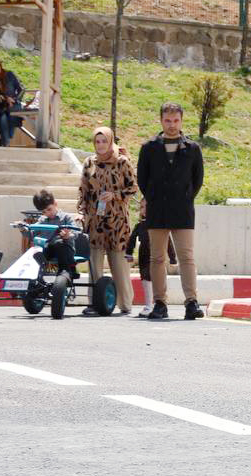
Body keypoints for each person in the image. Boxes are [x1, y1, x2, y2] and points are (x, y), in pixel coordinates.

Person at [136, 102, 204, 320]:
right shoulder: (149, 148)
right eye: (168, 120)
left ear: (181, 121)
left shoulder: (192, 149)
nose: (172, 125)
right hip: (157, 210)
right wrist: (154, 199)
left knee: (187, 257)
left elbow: (197, 180)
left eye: (176, 120)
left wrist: (184, 197)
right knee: (157, 258)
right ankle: (159, 303)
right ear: (161, 120)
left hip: (183, 210)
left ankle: (191, 303)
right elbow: (142, 179)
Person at [77, 127, 137, 316]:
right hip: (95, 220)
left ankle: (125, 303)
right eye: (97, 141)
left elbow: (133, 187)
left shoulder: (122, 162)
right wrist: (82, 211)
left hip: (117, 220)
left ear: (110, 141)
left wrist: (115, 195)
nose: (101, 145)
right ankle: (95, 303)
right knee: (94, 264)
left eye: (104, 141)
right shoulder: (89, 162)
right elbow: (83, 189)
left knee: (118, 263)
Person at [127, 198, 178, 318]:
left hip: (157, 257)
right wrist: (129, 253)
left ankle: (160, 304)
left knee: (157, 280)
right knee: (145, 280)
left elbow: (168, 242)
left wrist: (173, 258)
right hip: (143, 257)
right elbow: (132, 240)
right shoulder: (139, 226)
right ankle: (148, 305)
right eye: (141, 207)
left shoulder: (160, 226)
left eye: (146, 207)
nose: (143, 210)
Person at [30, 188, 81, 279]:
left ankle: (65, 272)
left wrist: (68, 235)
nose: (47, 213)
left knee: (59, 243)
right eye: (44, 212)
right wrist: (23, 228)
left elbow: (76, 231)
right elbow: (32, 232)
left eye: (49, 209)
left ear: (55, 204)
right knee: (38, 251)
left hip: (66, 249)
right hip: (49, 249)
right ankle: (42, 273)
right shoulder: (42, 220)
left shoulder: (66, 217)